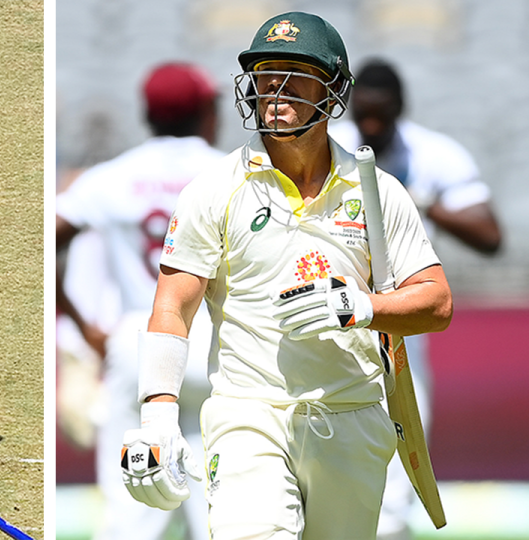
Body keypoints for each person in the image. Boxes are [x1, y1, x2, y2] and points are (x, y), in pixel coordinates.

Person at [119, 12, 454, 540]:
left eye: (295, 72)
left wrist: (361, 308)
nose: (274, 87)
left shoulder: (377, 191)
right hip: (248, 416)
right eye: (264, 72)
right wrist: (158, 416)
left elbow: (436, 304)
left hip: (352, 417)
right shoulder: (215, 188)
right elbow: (173, 305)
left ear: (335, 88)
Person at [329, 58, 502, 540]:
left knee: (401, 452)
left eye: (381, 115)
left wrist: (424, 203)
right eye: (362, 113)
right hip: (331, 321)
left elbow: (490, 236)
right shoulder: (328, 146)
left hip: (399, 326)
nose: (371, 126)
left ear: (401, 108)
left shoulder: (433, 155)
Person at [56, 62, 224, 539]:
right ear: (204, 112)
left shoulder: (114, 176)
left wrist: (82, 323)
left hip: (140, 341)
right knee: (221, 512)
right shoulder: (231, 174)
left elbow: (47, 238)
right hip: (216, 346)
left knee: (131, 513)